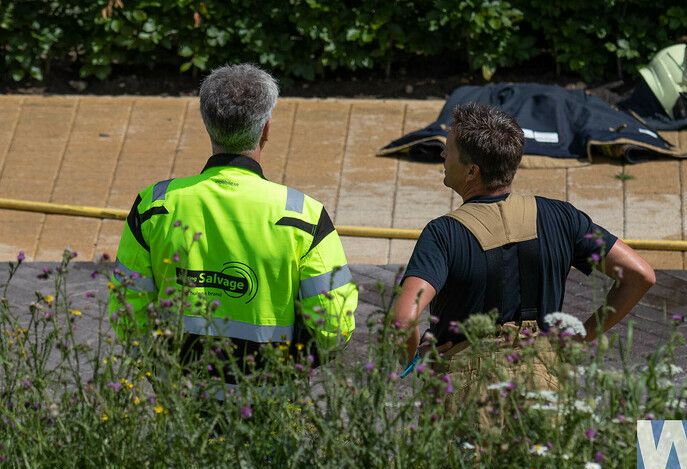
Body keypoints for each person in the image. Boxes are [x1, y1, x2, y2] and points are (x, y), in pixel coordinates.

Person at [109, 63, 357, 375]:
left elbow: (128, 315)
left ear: (206, 124)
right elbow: (333, 328)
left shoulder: (154, 205)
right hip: (269, 401)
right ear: (266, 129)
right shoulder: (303, 216)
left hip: (177, 403)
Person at [393, 103, 655, 389]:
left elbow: (404, 318)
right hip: (543, 385)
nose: (442, 154)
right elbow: (640, 275)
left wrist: (414, 360)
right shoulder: (562, 217)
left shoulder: (443, 234)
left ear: (472, 172)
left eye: (449, 150)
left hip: (467, 395)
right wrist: (581, 336)